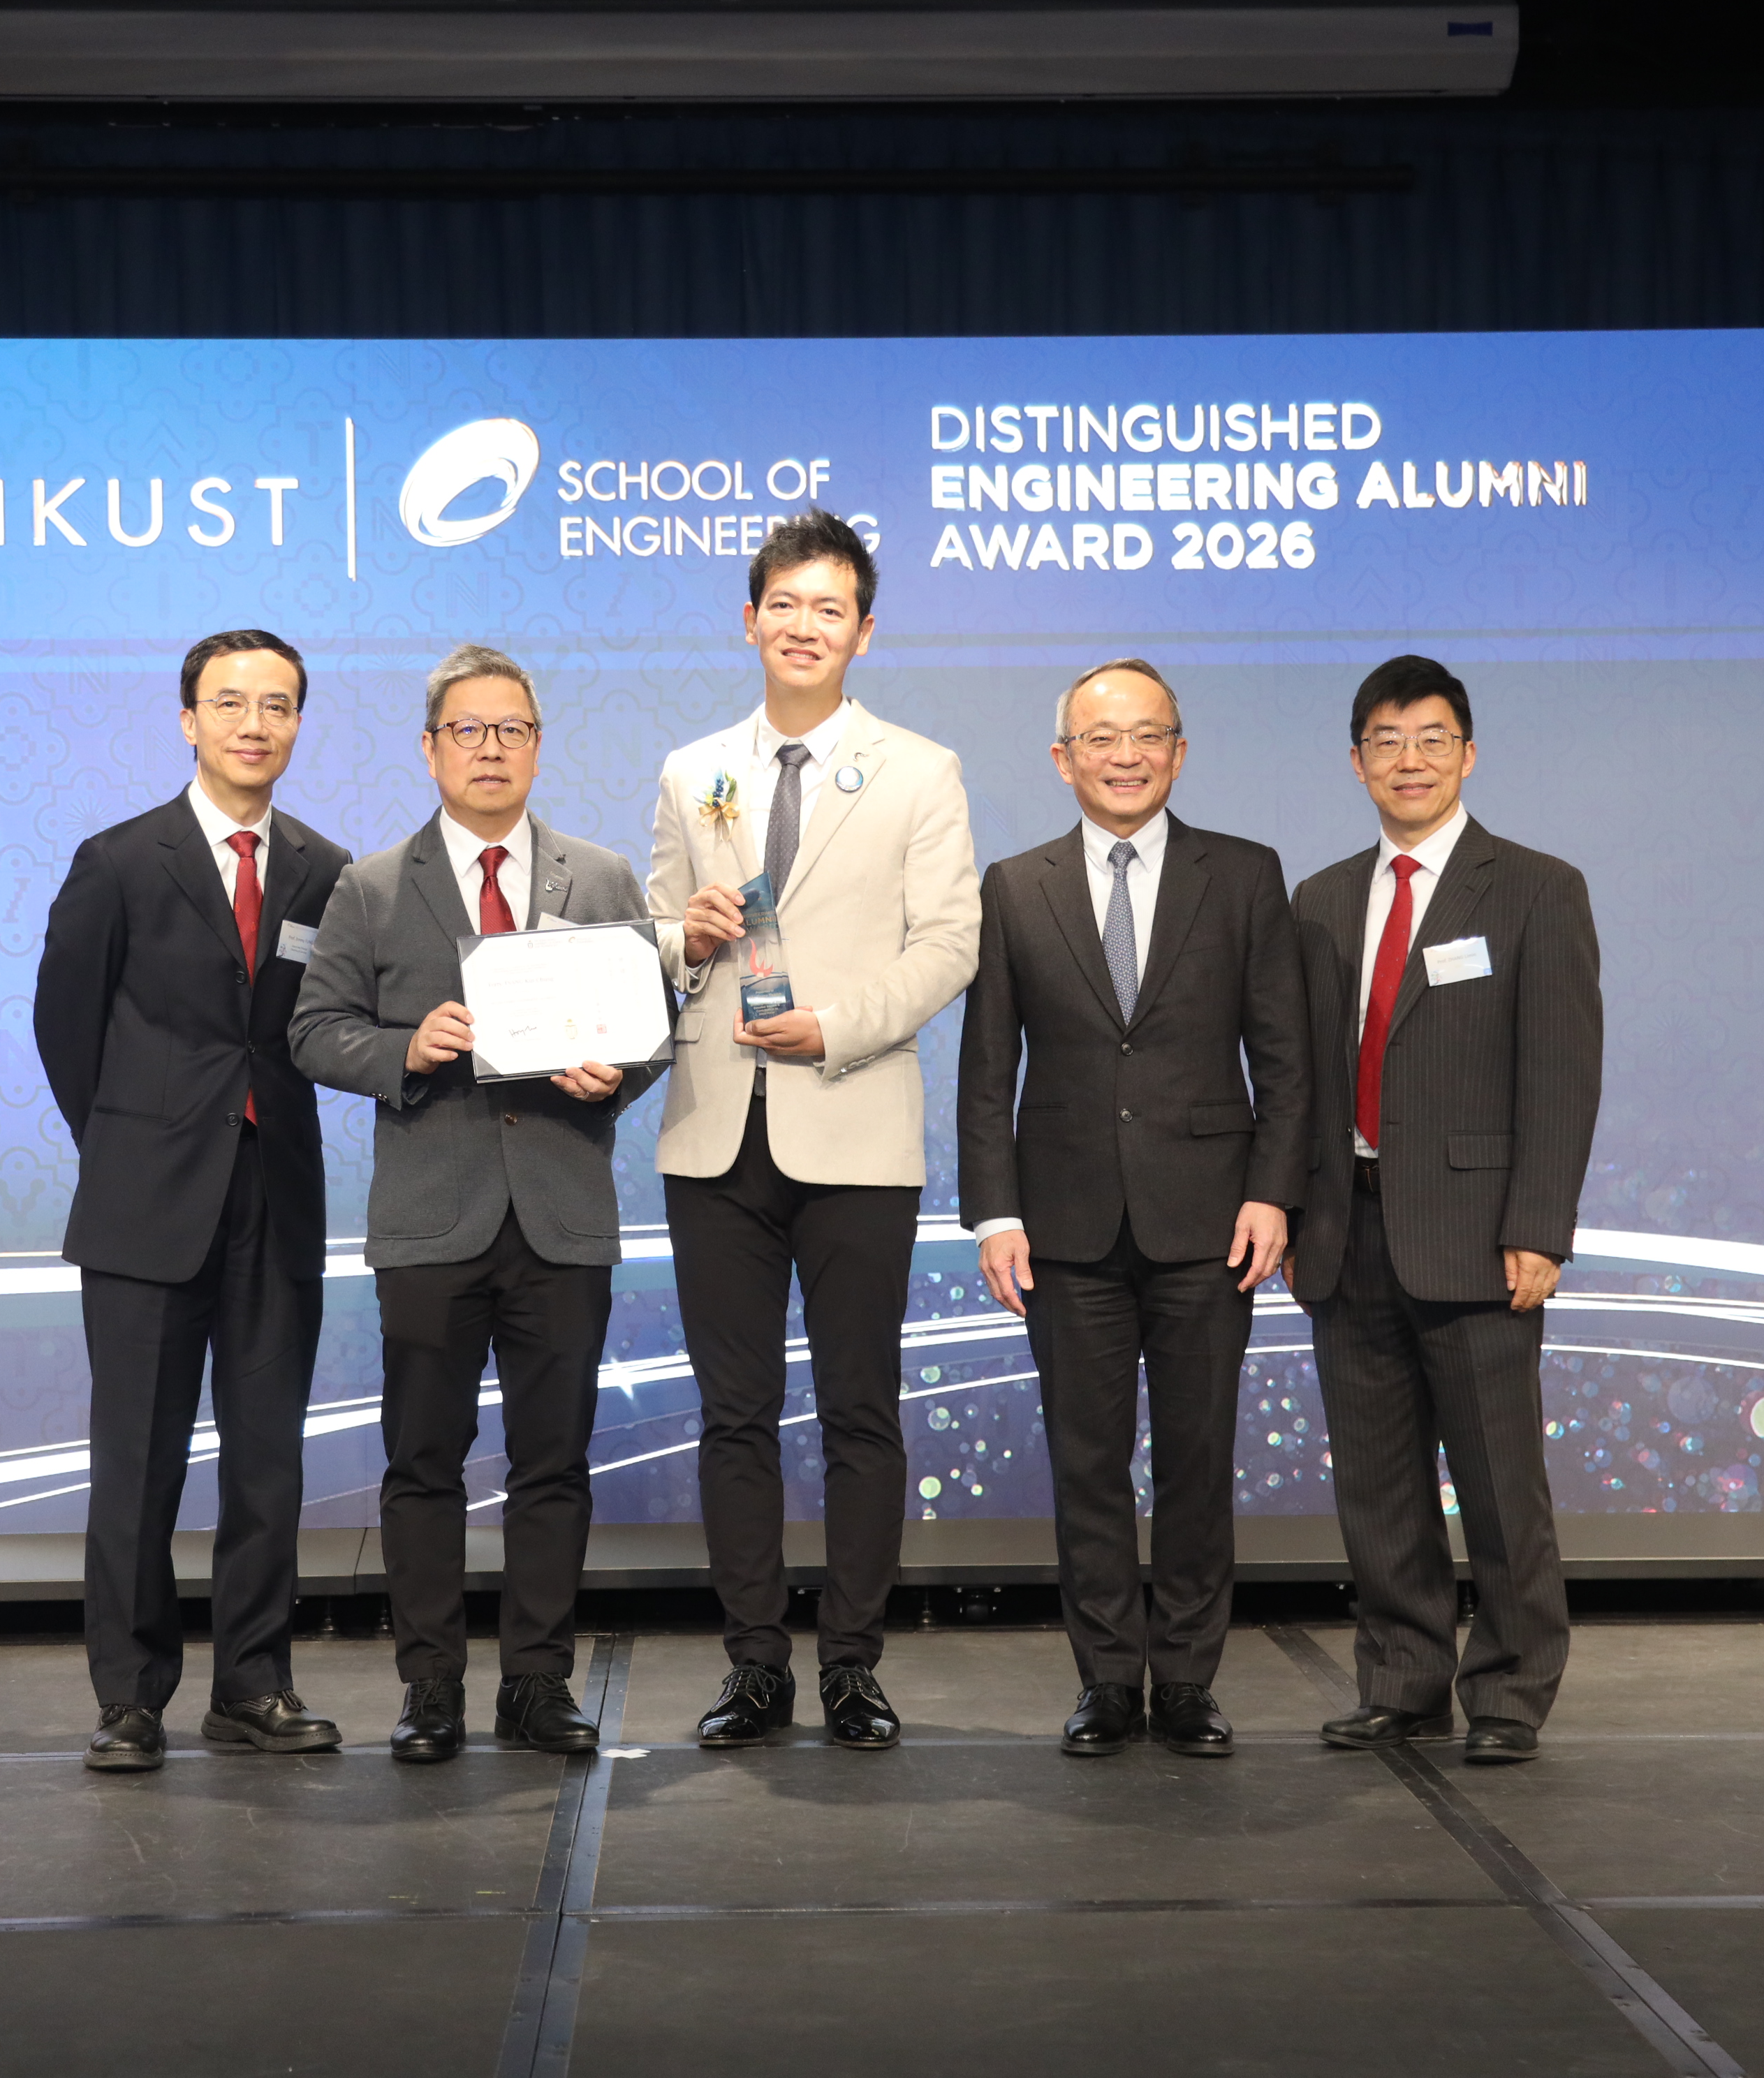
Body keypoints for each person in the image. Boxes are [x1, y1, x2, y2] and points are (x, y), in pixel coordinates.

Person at [291, 645, 665, 1762]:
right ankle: (432, 1688)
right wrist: (407, 1048)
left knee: (555, 1463)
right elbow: (315, 1031)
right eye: (468, 729)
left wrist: (617, 1074)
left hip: (561, 1213)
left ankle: (538, 1683)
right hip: (429, 1219)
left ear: (538, 747)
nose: (490, 748)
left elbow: (650, 1026)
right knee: (424, 1464)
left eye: (512, 729)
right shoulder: (370, 885)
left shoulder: (600, 878)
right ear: (430, 748)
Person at [647, 510, 980, 1751]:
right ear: (751, 621)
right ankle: (754, 1664)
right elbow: (658, 936)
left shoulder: (920, 770)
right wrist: (683, 938)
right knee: (733, 1415)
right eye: (783, 605)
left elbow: (950, 943)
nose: (804, 627)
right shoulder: (693, 770)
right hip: (715, 1135)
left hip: (853, 1125)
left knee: (860, 1411)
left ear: (863, 632)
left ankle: (851, 1664)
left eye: (828, 609)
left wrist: (836, 1026)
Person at [956, 659, 1311, 1758]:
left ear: (1180, 752)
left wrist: (1272, 1191)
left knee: (1199, 1461)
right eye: (1101, 739)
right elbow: (987, 1068)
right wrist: (994, 1214)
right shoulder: (1015, 886)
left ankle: (1189, 1681)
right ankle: (1108, 1679)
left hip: (1211, 1222)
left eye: (1147, 735)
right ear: (1063, 758)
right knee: (1087, 1462)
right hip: (1064, 1228)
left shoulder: (1243, 875)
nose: (1125, 756)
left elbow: (1286, 1059)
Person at [35, 628, 351, 1774]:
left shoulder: (326, 869)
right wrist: (132, 1145)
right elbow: (65, 1028)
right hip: (144, 1205)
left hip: (277, 1198)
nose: (254, 725)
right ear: (188, 720)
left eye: (277, 705)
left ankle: (253, 1687)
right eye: (230, 703)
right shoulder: (121, 860)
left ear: (298, 723)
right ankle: (129, 1698)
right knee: (139, 1464)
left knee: (269, 1461)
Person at [1288, 654, 1602, 1767]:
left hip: (1478, 1235)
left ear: (1468, 755)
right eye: (1386, 741)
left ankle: (1510, 1694)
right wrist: (1298, 1214)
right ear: (1357, 762)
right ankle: (1403, 1683)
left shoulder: (1536, 889)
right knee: (1377, 1487)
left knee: (1501, 1486)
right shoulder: (1320, 901)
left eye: (1430, 739)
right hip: (1348, 1230)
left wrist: (1539, 1227)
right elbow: (1300, 1081)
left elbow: (1561, 1073)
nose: (1408, 760)